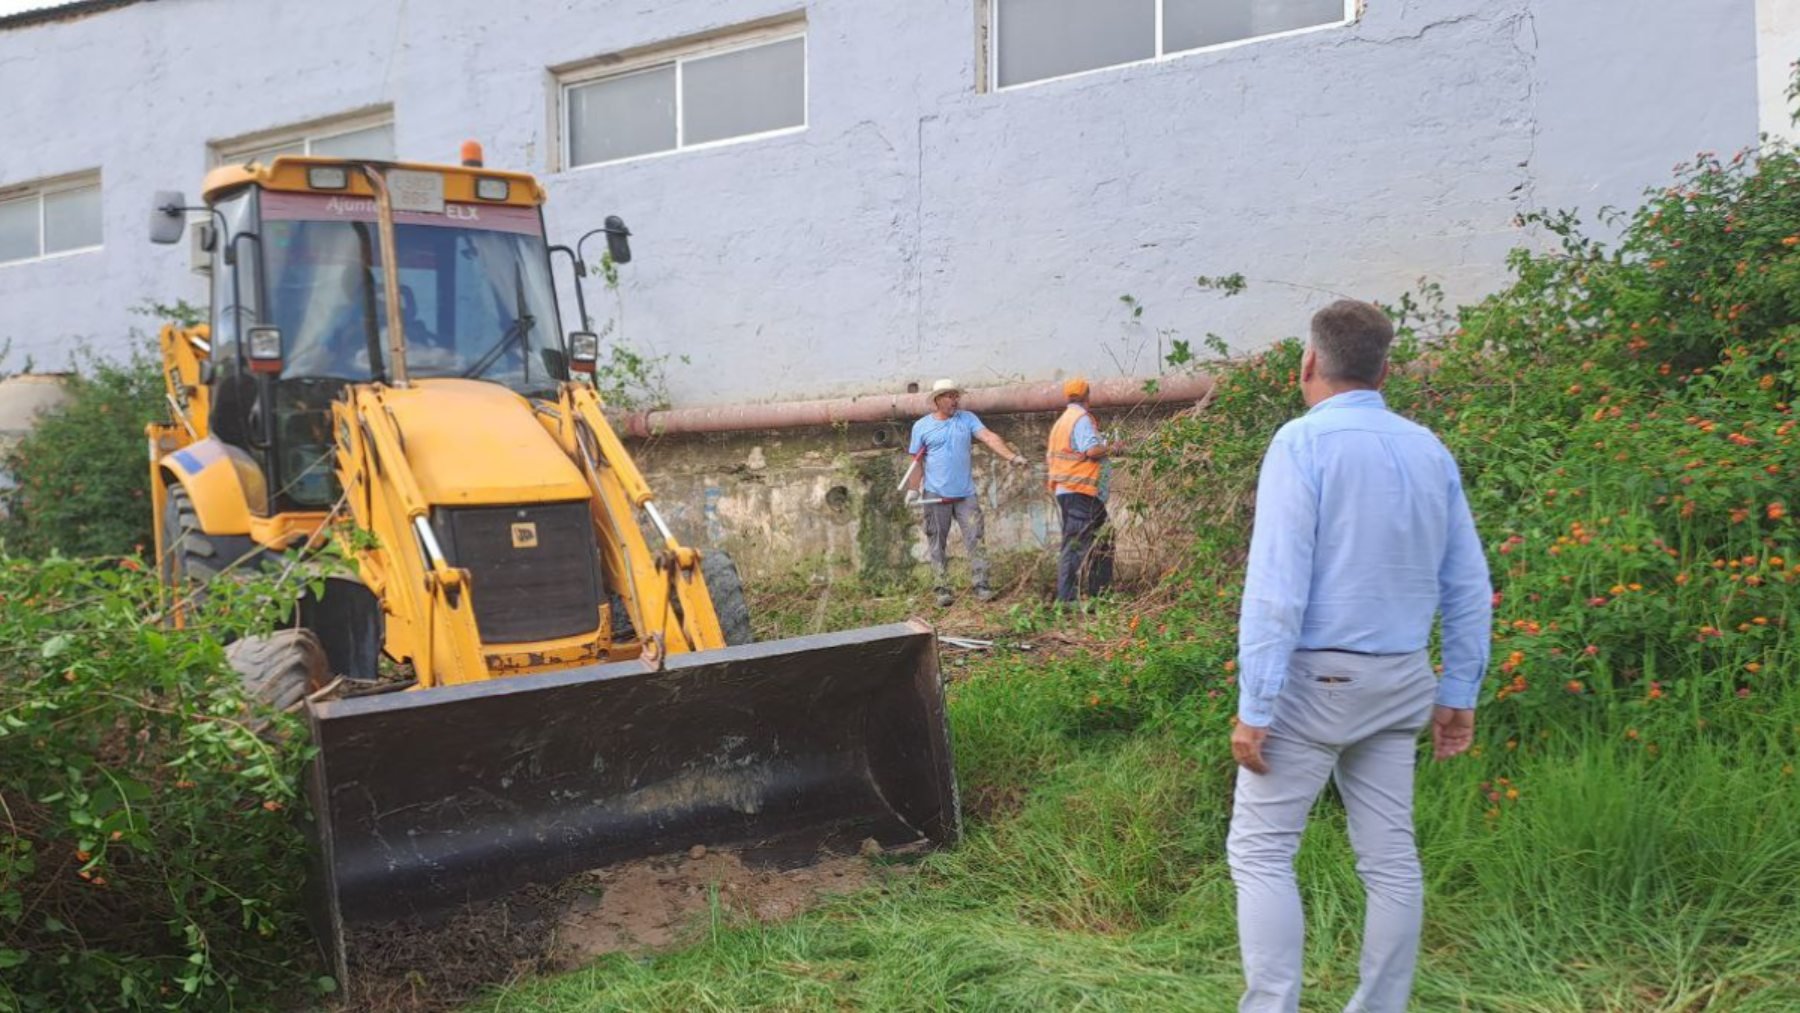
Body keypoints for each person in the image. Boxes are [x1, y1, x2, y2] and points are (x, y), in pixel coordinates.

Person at [1226, 300, 1492, 1013]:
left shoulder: (1302, 444)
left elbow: (1276, 586)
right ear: (1386, 369)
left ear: (1307, 364)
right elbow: (1468, 582)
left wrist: (1256, 705)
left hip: (1316, 681)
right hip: (1402, 677)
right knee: (1391, 861)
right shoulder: (1428, 448)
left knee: (1260, 853)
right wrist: (1459, 688)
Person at [908, 378, 1029, 607]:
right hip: (935, 495)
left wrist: (1012, 457)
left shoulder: (968, 419)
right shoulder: (921, 427)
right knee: (937, 542)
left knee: (975, 537)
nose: (955, 400)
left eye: (956, 396)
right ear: (937, 400)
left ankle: (981, 585)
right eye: (949, 396)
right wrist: (914, 489)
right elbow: (916, 460)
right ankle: (942, 588)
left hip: (965, 494)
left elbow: (989, 437)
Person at [1044, 377, 1121, 603]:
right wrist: (1112, 448)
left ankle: (1099, 592)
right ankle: (1067, 599)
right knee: (1076, 545)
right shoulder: (1081, 419)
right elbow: (1091, 451)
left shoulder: (1063, 421)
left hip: (1073, 491)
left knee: (1104, 538)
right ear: (1088, 395)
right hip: (1079, 491)